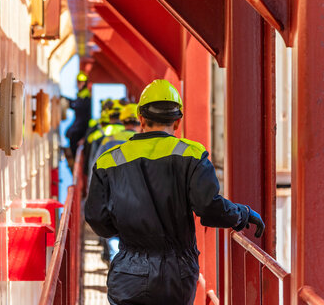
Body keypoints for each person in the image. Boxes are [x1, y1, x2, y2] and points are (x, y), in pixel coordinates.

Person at [85, 79, 265, 305]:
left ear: (141, 118)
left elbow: (96, 218)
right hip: (176, 274)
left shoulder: (109, 160)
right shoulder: (191, 155)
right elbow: (208, 207)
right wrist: (242, 213)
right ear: (178, 121)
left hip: (129, 270)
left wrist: (126, 233)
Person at [93, 103, 141, 264]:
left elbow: (96, 168)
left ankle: (116, 272)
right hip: (140, 200)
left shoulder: (109, 140)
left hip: (114, 196)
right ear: (141, 120)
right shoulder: (146, 142)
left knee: (114, 239)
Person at [64, 71, 91, 161]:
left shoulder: (85, 96)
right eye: (78, 82)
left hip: (81, 128)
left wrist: (64, 99)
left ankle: (75, 160)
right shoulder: (81, 95)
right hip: (79, 125)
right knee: (69, 133)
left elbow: (76, 106)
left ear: (85, 83)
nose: (78, 84)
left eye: (80, 82)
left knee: (72, 135)